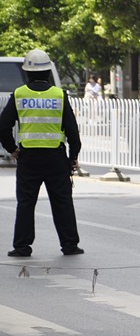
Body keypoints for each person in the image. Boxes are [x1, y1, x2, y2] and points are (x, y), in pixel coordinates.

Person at [0, 49, 83, 257]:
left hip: (28, 158)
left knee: (26, 202)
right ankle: (70, 245)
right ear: (47, 72)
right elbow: (72, 131)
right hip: (55, 158)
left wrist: (13, 150)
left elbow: (3, 127)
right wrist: (73, 157)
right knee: (62, 201)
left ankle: (22, 246)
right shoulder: (59, 95)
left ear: (27, 73)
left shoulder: (19, 95)